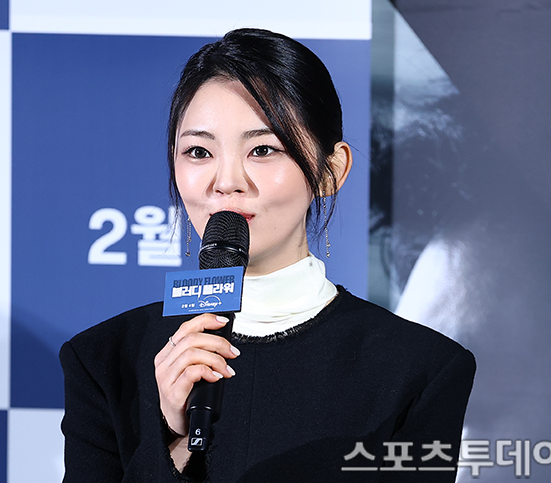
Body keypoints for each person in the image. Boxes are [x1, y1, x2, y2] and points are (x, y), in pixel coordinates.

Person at [60, 28, 475, 482]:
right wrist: (173, 440)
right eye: (199, 151)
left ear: (330, 170)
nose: (226, 182)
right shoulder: (105, 359)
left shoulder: (418, 369)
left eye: (262, 149)